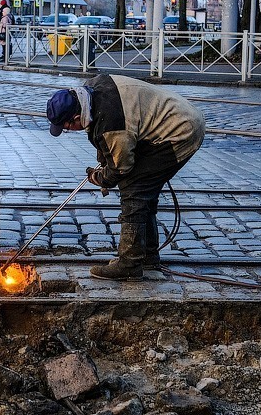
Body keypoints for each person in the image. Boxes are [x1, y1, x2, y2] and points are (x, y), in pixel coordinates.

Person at [46, 74, 205, 280]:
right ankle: (146, 255)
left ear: (76, 118)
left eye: (67, 128)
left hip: (180, 131)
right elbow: (105, 137)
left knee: (135, 190)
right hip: (175, 116)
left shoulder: (112, 122)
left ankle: (130, 264)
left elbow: (121, 167)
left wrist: (101, 178)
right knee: (143, 190)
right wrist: (104, 158)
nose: (69, 131)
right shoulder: (92, 89)